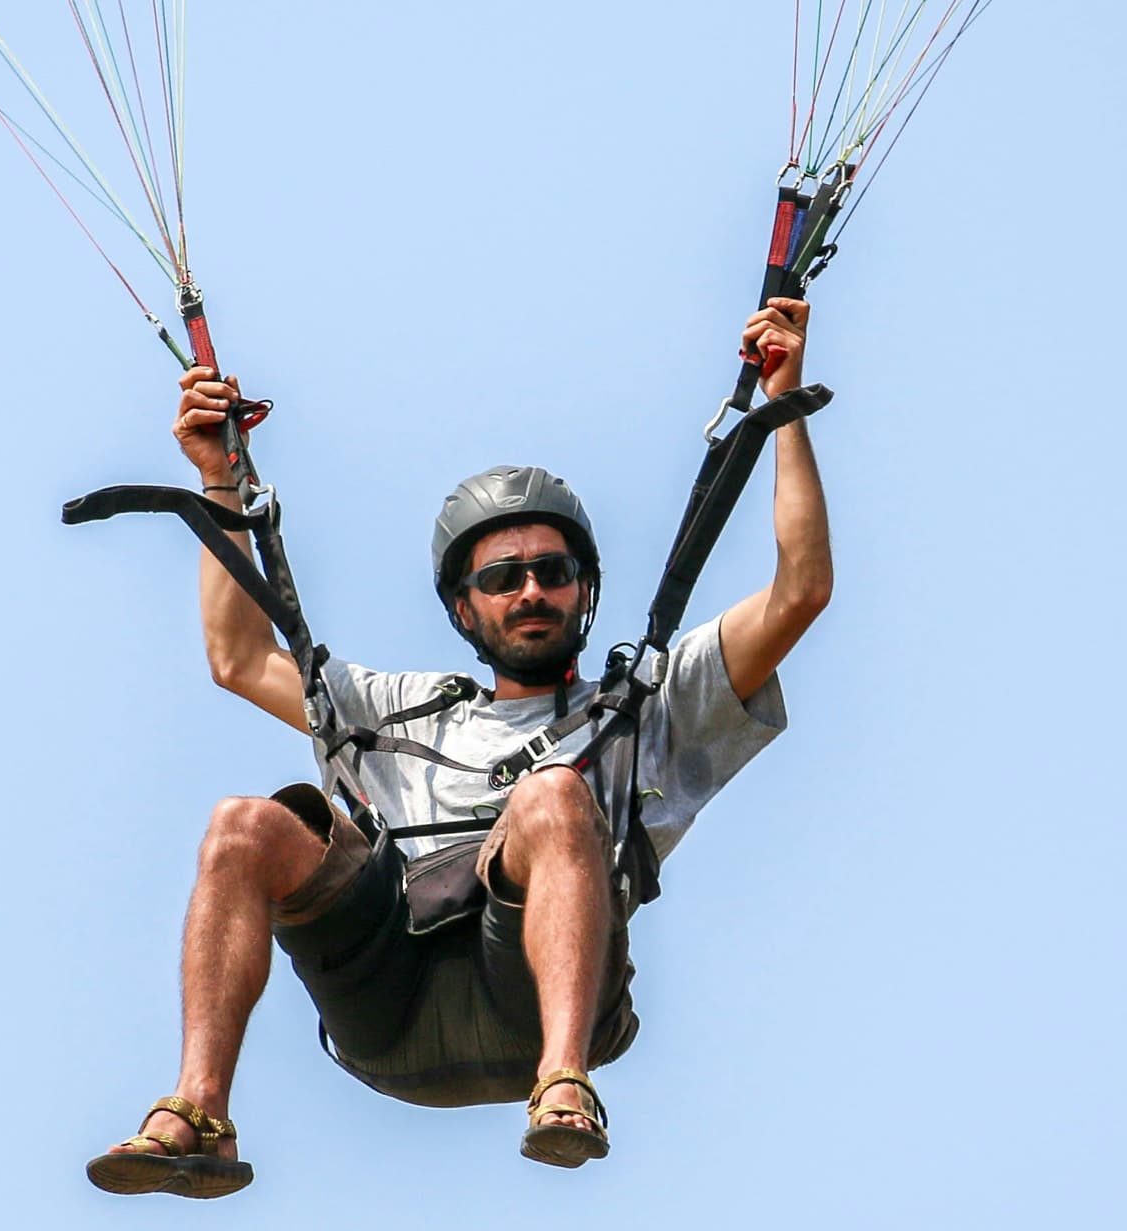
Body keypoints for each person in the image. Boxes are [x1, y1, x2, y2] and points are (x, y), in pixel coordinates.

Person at [86, 298, 833, 1199]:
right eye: (502, 577)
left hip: (535, 1004)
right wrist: (219, 480)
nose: (530, 592)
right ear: (463, 608)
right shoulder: (392, 712)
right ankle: (198, 1109)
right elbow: (238, 657)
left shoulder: (648, 706)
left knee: (554, 794)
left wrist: (779, 409)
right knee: (242, 824)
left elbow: (800, 591)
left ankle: (563, 1086)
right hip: (387, 1007)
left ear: (584, 592)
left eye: (552, 573)